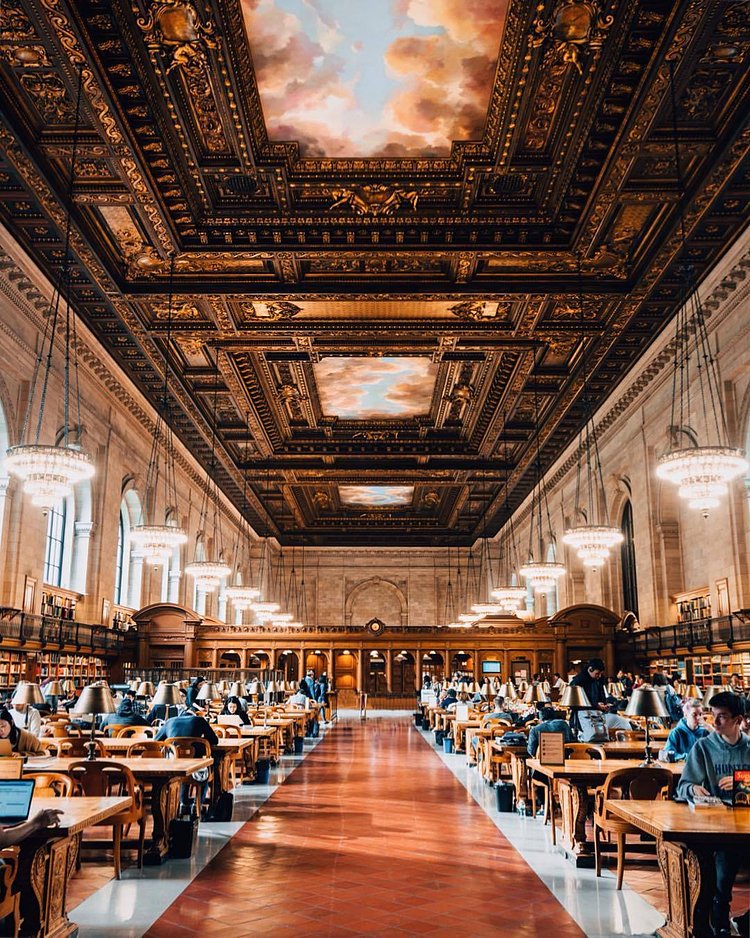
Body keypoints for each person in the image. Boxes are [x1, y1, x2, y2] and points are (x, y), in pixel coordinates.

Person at [677, 692, 750, 937]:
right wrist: (692, 788)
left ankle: (738, 920)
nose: (714, 722)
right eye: (713, 716)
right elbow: (683, 786)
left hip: (745, 825)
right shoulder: (703, 747)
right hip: (714, 825)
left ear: (738, 720)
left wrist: (744, 783)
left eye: (722, 717)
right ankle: (719, 919)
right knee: (723, 861)